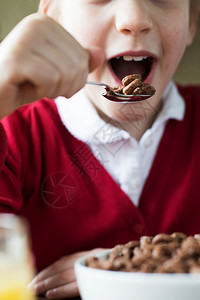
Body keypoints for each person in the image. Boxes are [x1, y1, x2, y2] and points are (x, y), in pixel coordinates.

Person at [0, 0, 199, 298]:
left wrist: (128, 268)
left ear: (191, 22)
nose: (134, 19)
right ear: (55, 17)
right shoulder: (14, 132)